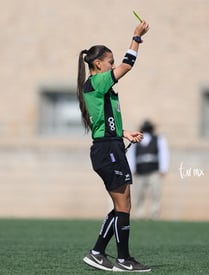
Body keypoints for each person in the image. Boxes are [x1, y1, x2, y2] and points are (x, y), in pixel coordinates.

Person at [76, 19, 151, 272]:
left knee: (122, 205)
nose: (113, 65)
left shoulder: (99, 86)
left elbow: (104, 120)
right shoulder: (98, 82)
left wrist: (124, 132)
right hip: (107, 149)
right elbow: (128, 65)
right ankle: (122, 259)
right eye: (110, 61)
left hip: (110, 145)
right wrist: (136, 36)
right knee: (123, 205)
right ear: (98, 64)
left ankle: (98, 252)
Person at [126, 120, 169, 219]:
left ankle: (154, 214)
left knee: (155, 194)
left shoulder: (159, 139)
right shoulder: (136, 140)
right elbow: (131, 155)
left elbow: (163, 153)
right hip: (140, 172)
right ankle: (139, 214)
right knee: (139, 194)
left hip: (154, 171)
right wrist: (132, 169)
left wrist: (163, 168)